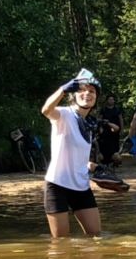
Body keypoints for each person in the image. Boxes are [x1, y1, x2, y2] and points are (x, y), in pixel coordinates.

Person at [41, 70, 102, 237]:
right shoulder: (64, 114)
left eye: (92, 91)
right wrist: (63, 89)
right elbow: (46, 110)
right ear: (73, 95)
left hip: (81, 186)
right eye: (82, 90)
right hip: (57, 185)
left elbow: (79, 158)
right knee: (61, 243)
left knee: (96, 237)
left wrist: (94, 167)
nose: (87, 93)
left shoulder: (89, 124)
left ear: (96, 97)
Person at [97, 93, 124, 167]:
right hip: (105, 132)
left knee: (115, 147)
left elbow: (121, 119)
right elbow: (99, 119)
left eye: (112, 99)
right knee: (104, 146)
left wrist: (122, 129)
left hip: (115, 132)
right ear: (107, 101)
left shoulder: (117, 110)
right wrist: (100, 128)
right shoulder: (104, 109)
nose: (111, 101)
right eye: (109, 99)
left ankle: (115, 162)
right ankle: (105, 161)